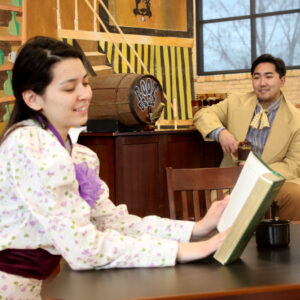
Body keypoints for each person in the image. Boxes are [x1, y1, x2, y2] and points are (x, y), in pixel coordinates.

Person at [0, 36, 229, 299]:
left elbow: (111, 222)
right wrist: (177, 250)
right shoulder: (31, 147)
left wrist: (194, 229)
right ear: (33, 98)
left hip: (48, 284)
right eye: (68, 88)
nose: (85, 94)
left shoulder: (74, 152)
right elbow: (84, 247)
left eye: (85, 82)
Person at [194, 54, 300, 221]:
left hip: (271, 182)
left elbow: (293, 164)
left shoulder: (296, 119)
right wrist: (220, 132)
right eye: (257, 77)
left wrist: (259, 174)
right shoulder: (235, 102)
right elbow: (203, 114)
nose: (262, 83)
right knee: (223, 216)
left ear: (282, 81)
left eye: (269, 76)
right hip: (232, 182)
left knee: (296, 195)